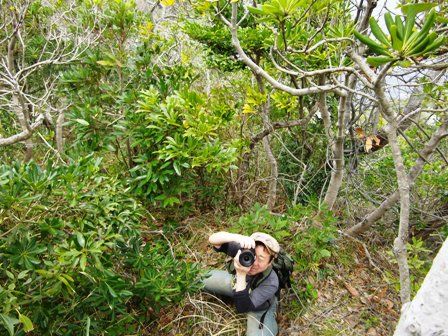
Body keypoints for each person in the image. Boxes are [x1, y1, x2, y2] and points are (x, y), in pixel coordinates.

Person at [203, 231, 281, 336]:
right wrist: (237, 237)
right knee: (200, 278)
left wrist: (241, 274)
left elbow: (243, 307)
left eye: (261, 259)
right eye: (253, 255)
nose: (254, 262)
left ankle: (271, 313)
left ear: (270, 263)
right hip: (235, 285)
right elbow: (213, 240)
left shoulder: (271, 282)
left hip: (258, 307)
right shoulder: (243, 252)